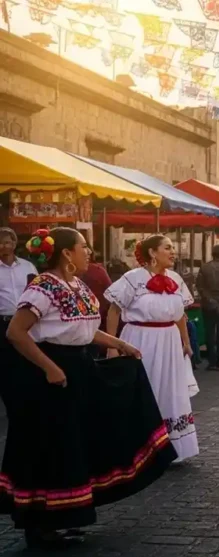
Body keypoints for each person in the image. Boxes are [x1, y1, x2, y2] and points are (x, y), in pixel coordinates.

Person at [2, 228, 176, 549]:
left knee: (75, 441)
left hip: (79, 368)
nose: (88, 252)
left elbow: (85, 329)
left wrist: (119, 343)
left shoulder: (77, 285)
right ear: (66, 253)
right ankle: (40, 523)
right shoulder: (43, 287)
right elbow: (16, 332)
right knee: (52, 444)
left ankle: (64, 516)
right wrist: (49, 367)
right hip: (51, 374)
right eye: (83, 247)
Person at [105, 235, 199, 463]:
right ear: (152, 253)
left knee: (169, 389)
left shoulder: (176, 278)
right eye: (167, 247)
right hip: (140, 339)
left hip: (169, 342)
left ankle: (170, 445)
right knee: (144, 387)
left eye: (172, 247)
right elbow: (113, 311)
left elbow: (180, 315)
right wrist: (112, 346)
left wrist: (185, 342)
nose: (173, 252)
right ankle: (139, 447)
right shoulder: (133, 278)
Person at [0, 228, 38, 369]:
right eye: (0, 243)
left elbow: (36, 291)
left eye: (7, 242)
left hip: (26, 324)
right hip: (2, 323)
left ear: (14, 244)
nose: (3, 246)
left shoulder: (28, 267)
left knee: (26, 363)